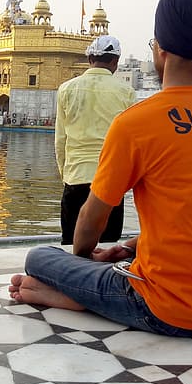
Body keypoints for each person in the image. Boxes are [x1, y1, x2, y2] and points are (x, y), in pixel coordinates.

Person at [10, 0, 192, 336]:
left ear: (159, 49)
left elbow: (90, 221)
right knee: (111, 259)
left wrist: (84, 260)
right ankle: (87, 293)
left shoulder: (138, 122)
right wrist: (128, 248)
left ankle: (82, 297)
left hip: (165, 308)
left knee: (40, 258)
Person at [55, 35, 135, 244]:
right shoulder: (126, 92)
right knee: (107, 249)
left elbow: (60, 139)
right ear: (115, 62)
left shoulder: (66, 89)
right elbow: (132, 143)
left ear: (89, 58)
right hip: (109, 182)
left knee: (71, 247)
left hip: (75, 177)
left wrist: (66, 174)